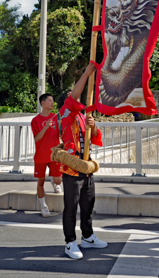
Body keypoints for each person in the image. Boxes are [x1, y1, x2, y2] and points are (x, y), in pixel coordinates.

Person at [58, 62, 107, 260]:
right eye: (73, 98)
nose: (77, 100)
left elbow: (94, 138)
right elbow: (74, 97)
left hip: (86, 165)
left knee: (88, 204)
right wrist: (86, 72)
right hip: (71, 167)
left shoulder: (81, 116)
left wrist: (93, 126)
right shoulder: (65, 115)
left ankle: (87, 236)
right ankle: (70, 242)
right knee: (71, 207)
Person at [32, 92, 62, 218]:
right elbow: (37, 138)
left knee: (58, 180)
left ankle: (54, 182)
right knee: (40, 182)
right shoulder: (35, 120)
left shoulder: (56, 117)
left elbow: (60, 134)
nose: (52, 102)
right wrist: (46, 127)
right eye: (49, 100)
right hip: (41, 155)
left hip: (54, 155)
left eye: (53, 100)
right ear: (43, 103)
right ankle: (43, 207)